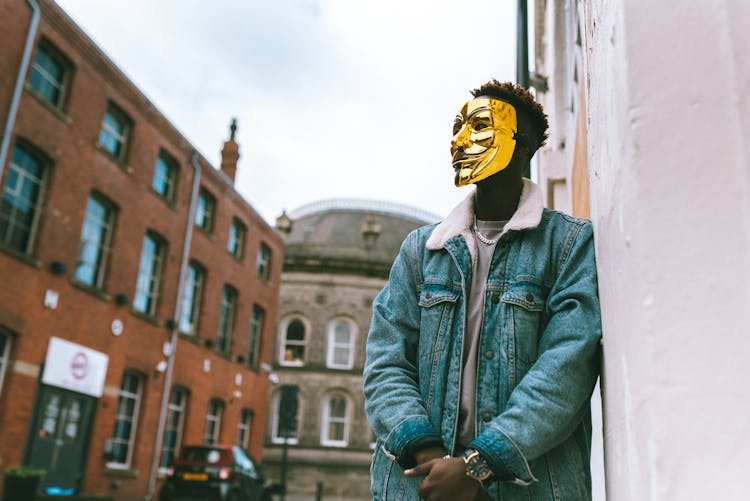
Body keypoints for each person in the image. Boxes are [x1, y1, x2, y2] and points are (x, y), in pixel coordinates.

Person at [363, 80, 602, 501]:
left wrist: (477, 466)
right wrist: (432, 458)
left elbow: (568, 367)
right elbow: (386, 362)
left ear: (523, 146)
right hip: (422, 486)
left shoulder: (568, 245)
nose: (459, 140)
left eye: (479, 127)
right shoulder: (421, 250)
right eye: (458, 127)